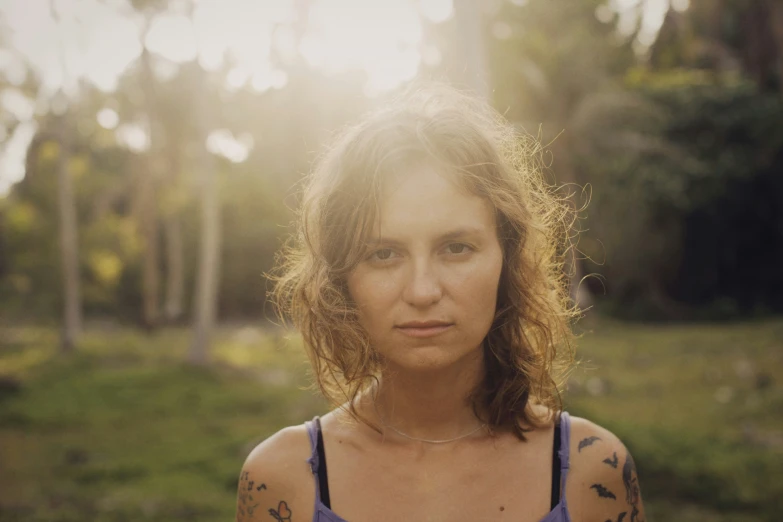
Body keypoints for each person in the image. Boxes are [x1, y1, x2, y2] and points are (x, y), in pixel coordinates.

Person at [236, 84, 646, 522]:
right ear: (341, 279)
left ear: (506, 258)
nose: (422, 290)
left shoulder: (592, 472)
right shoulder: (280, 480)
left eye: (456, 248)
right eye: (383, 254)